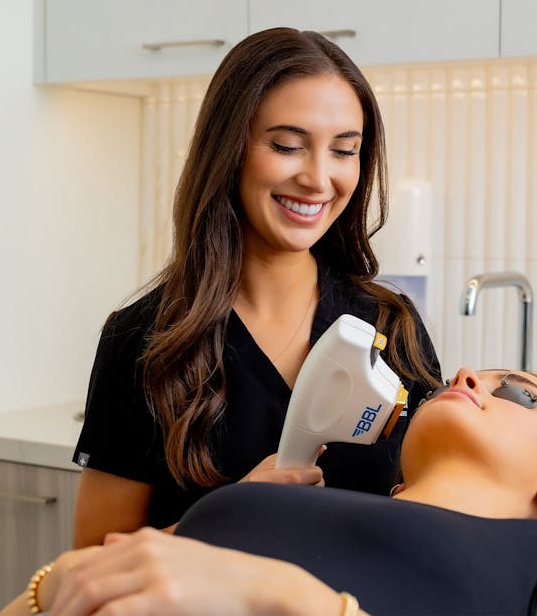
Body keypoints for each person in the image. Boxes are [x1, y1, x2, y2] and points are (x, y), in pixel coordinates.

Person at [71, 27, 442, 545]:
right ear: (230, 148)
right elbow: (90, 568)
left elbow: (443, 518)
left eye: (344, 151)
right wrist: (230, 518)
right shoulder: (141, 341)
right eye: (288, 145)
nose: (318, 178)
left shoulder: (391, 324)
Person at [2, 367, 537, 616]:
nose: (465, 374)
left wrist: (286, 597)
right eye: (467, 372)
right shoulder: (272, 496)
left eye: (516, 390)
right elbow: (100, 570)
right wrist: (53, 582)